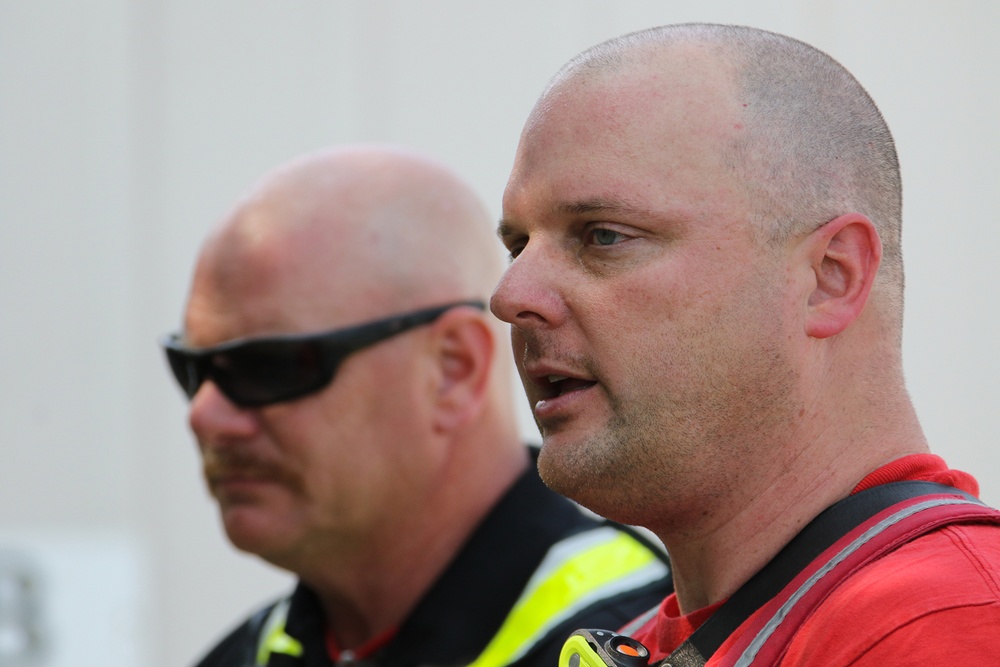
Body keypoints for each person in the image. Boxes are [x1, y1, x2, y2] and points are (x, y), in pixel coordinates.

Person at [489, 23, 1000, 665]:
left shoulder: (948, 623)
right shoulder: (659, 640)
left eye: (603, 236)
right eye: (517, 245)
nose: (512, 294)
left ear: (829, 277)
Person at [160, 144, 672, 667]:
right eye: (191, 369)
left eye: (266, 367)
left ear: (452, 370)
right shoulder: (250, 654)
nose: (206, 415)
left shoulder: (637, 640)